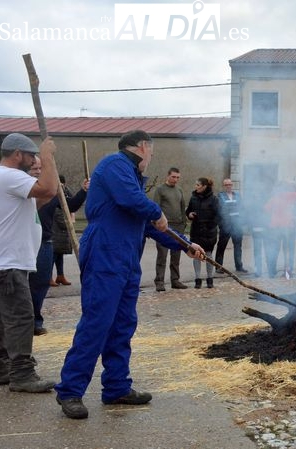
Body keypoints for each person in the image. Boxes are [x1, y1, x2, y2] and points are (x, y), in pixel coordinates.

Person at [55, 130, 205, 419]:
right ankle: (70, 391)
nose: (151, 158)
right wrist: (155, 211)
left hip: (126, 261)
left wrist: (185, 245)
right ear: (143, 146)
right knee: (97, 322)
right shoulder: (115, 165)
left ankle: (116, 388)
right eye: (152, 151)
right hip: (104, 254)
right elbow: (134, 203)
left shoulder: (133, 180)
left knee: (123, 324)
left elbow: (148, 224)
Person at [0, 133, 59, 394]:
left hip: (7, 262)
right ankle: (22, 375)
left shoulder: (8, 180)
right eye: (31, 155)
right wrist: (47, 157)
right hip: (9, 263)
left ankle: (3, 368)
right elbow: (47, 189)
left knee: (4, 320)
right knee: (21, 318)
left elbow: (41, 198)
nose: (34, 159)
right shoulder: (10, 175)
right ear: (17, 154)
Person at [28, 158, 88, 336]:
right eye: (34, 168)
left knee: (41, 284)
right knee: (22, 285)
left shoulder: (53, 191)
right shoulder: (22, 188)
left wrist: (83, 191)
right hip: (25, 242)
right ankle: (20, 322)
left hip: (45, 242)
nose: (38, 171)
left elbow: (70, 205)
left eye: (40, 168)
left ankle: (35, 321)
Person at [151, 167, 189, 291]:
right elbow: (156, 207)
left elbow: (182, 207)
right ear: (168, 176)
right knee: (162, 254)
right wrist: (157, 223)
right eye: (173, 177)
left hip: (178, 225)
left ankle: (175, 280)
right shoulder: (160, 189)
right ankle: (160, 281)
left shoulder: (179, 190)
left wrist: (184, 222)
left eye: (178, 177)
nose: (175, 179)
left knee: (176, 254)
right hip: (164, 227)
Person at [186, 177, 221, 288]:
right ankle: (197, 279)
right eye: (195, 185)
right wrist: (190, 215)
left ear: (204, 186)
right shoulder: (193, 198)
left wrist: (210, 226)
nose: (195, 187)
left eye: (198, 185)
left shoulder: (214, 199)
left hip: (209, 232)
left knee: (208, 254)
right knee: (196, 254)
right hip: (196, 231)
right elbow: (188, 211)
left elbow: (218, 215)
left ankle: (210, 278)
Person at [215, 178, 247, 273]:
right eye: (226, 185)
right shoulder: (220, 196)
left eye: (230, 184)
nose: (228, 186)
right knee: (221, 246)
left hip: (237, 225)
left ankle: (239, 266)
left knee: (238, 246)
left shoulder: (237, 195)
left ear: (232, 185)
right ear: (224, 186)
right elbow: (219, 211)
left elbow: (242, 208)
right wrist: (221, 224)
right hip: (225, 226)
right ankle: (218, 267)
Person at [51, 175, 75, 286]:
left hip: (61, 233)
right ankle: (48, 277)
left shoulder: (65, 193)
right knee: (53, 255)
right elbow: (59, 215)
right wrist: (70, 222)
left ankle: (60, 275)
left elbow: (72, 201)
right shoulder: (53, 196)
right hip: (55, 232)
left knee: (59, 254)